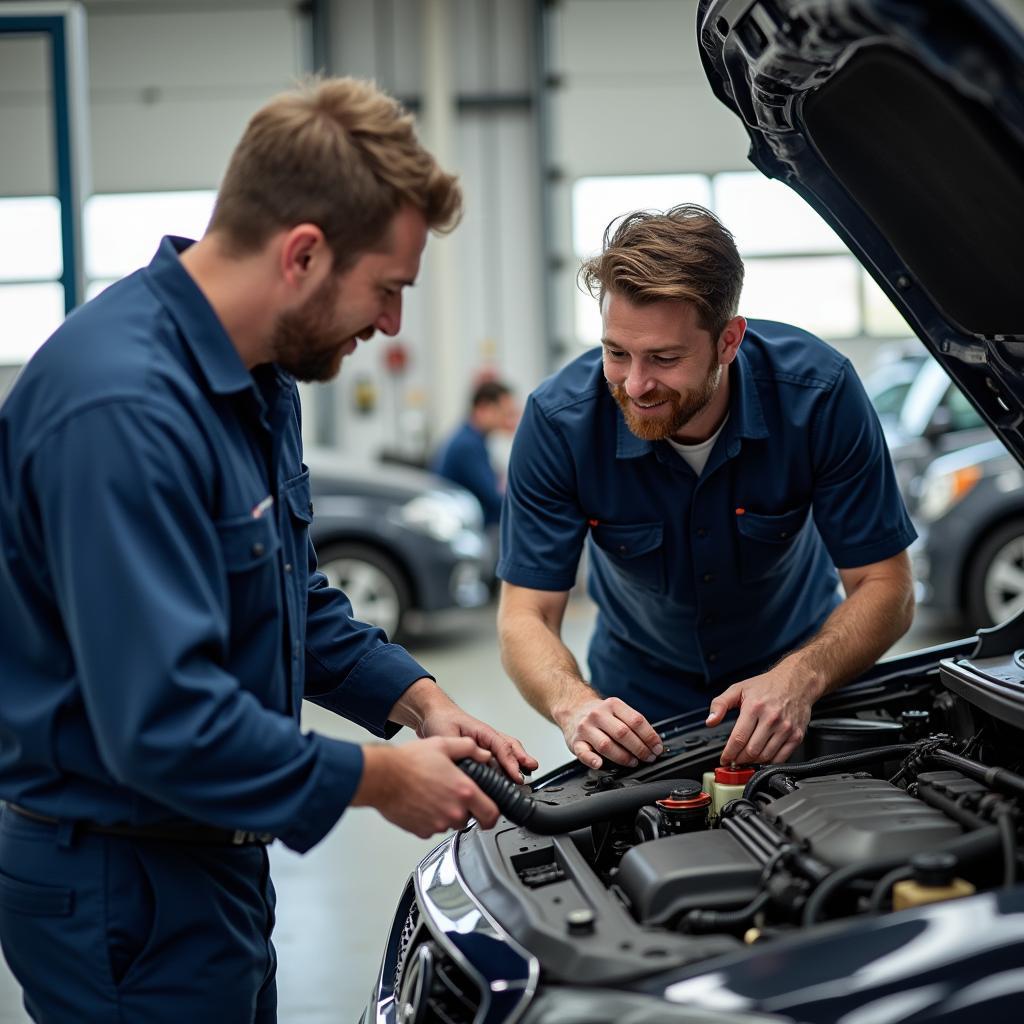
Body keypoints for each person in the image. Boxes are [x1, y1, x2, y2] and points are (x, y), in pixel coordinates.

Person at [0, 78, 537, 1023]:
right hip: (121, 885)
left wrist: (420, 701)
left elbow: (292, 597)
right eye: (388, 289)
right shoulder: (121, 411)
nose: (390, 325)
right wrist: (378, 782)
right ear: (303, 254)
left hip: (212, 865)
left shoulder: (256, 378)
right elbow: (163, 720)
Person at [497, 204, 915, 774]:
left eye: (665, 358)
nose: (636, 384)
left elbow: (886, 584)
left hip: (801, 685)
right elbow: (525, 614)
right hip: (640, 713)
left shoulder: (819, 395)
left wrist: (800, 677)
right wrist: (574, 704)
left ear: (728, 341)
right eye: (616, 352)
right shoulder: (558, 422)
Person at [431, 378, 519, 527]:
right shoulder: (467, 445)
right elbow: (494, 499)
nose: (509, 421)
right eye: (505, 413)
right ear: (484, 408)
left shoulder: (470, 438)